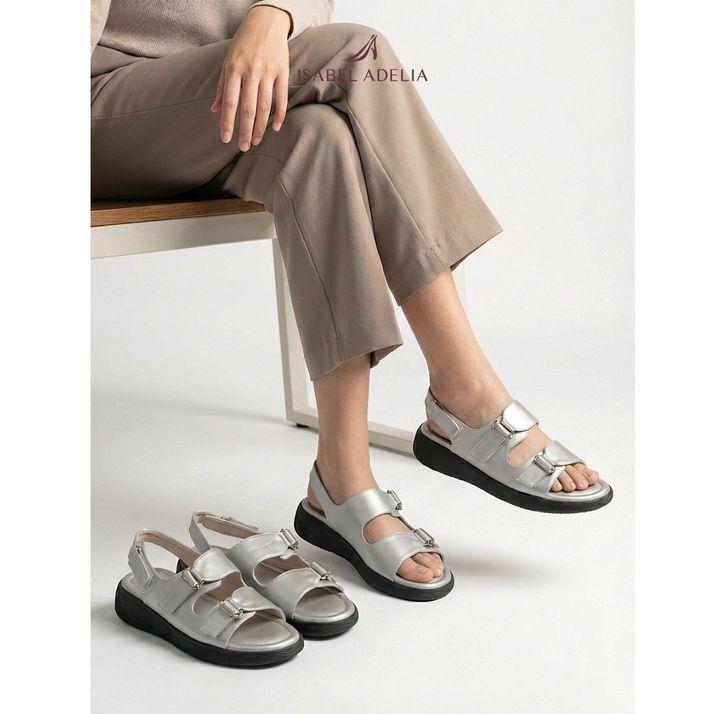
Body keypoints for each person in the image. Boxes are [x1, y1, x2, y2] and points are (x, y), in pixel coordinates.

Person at [92, 1, 611, 600]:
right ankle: (464, 392)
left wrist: (273, 15)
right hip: (105, 109)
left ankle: (340, 480)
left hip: (233, 99)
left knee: (320, 140)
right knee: (357, 53)